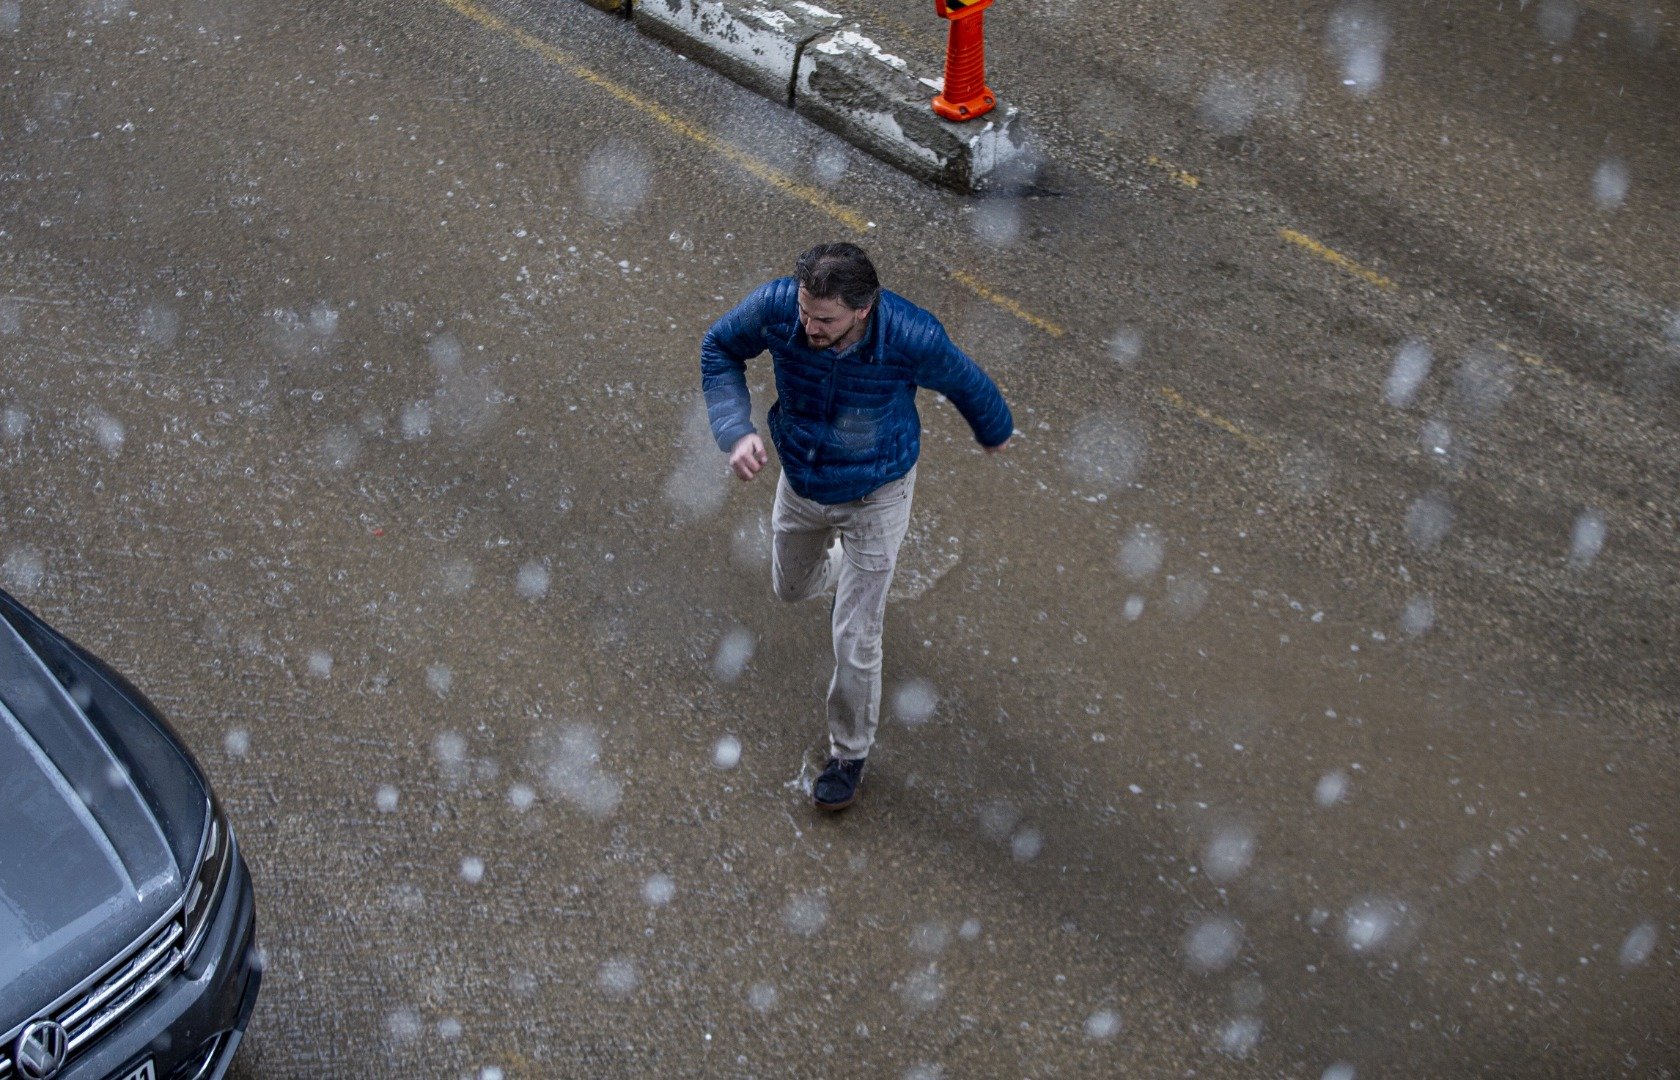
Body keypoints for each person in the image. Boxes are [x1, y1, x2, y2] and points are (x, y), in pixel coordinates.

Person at [700, 242, 1013, 811]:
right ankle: (849, 570)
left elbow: (965, 381)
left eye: (824, 320)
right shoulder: (777, 308)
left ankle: (849, 755)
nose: (808, 327)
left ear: (863, 311)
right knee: (790, 588)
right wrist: (734, 429)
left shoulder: (911, 335)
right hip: (802, 481)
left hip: (878, 493)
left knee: (855, 637)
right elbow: (718, 347)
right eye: (804, 311)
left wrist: (994, 429)